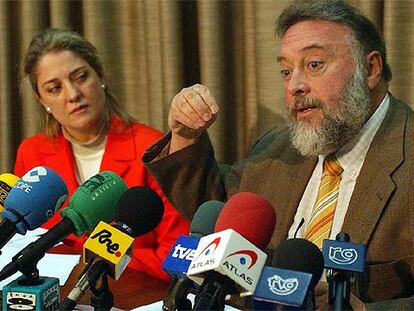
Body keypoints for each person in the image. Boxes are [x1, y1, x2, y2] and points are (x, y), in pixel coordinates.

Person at [142, 0, 414, 309]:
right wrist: (185, 136)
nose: (295, 86)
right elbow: (221, 212)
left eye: (314, 64)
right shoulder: (279, 146)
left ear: (371, 69)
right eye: (286, 71)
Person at [14, 28, 189, 281]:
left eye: (81, 77)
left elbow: (176, 256)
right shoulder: (31, 154)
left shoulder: (153, 149)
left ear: (101, 76)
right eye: (54, 88)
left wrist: (89, 262)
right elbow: (24, 242)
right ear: (42, 101)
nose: (73, 94)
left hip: (135, 296)